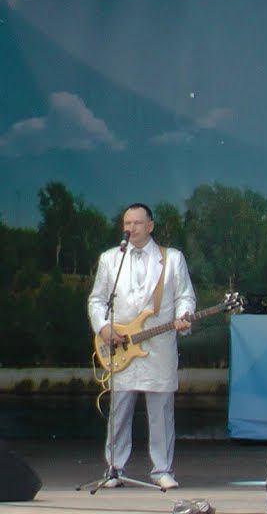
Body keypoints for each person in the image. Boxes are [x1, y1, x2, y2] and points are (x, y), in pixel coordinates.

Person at [87, 203, 196, 490]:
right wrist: (104, 327)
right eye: (127, 223)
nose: (131, 228)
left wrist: (184, 316)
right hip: (121, 344)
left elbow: (185, 296)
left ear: (150, 226)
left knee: (161, 411)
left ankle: (162, 469)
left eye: (137, 223)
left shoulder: (172, 258)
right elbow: (97, 300)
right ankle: (114, 468)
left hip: (158, 345)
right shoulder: (110, 258)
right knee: (119, 410)